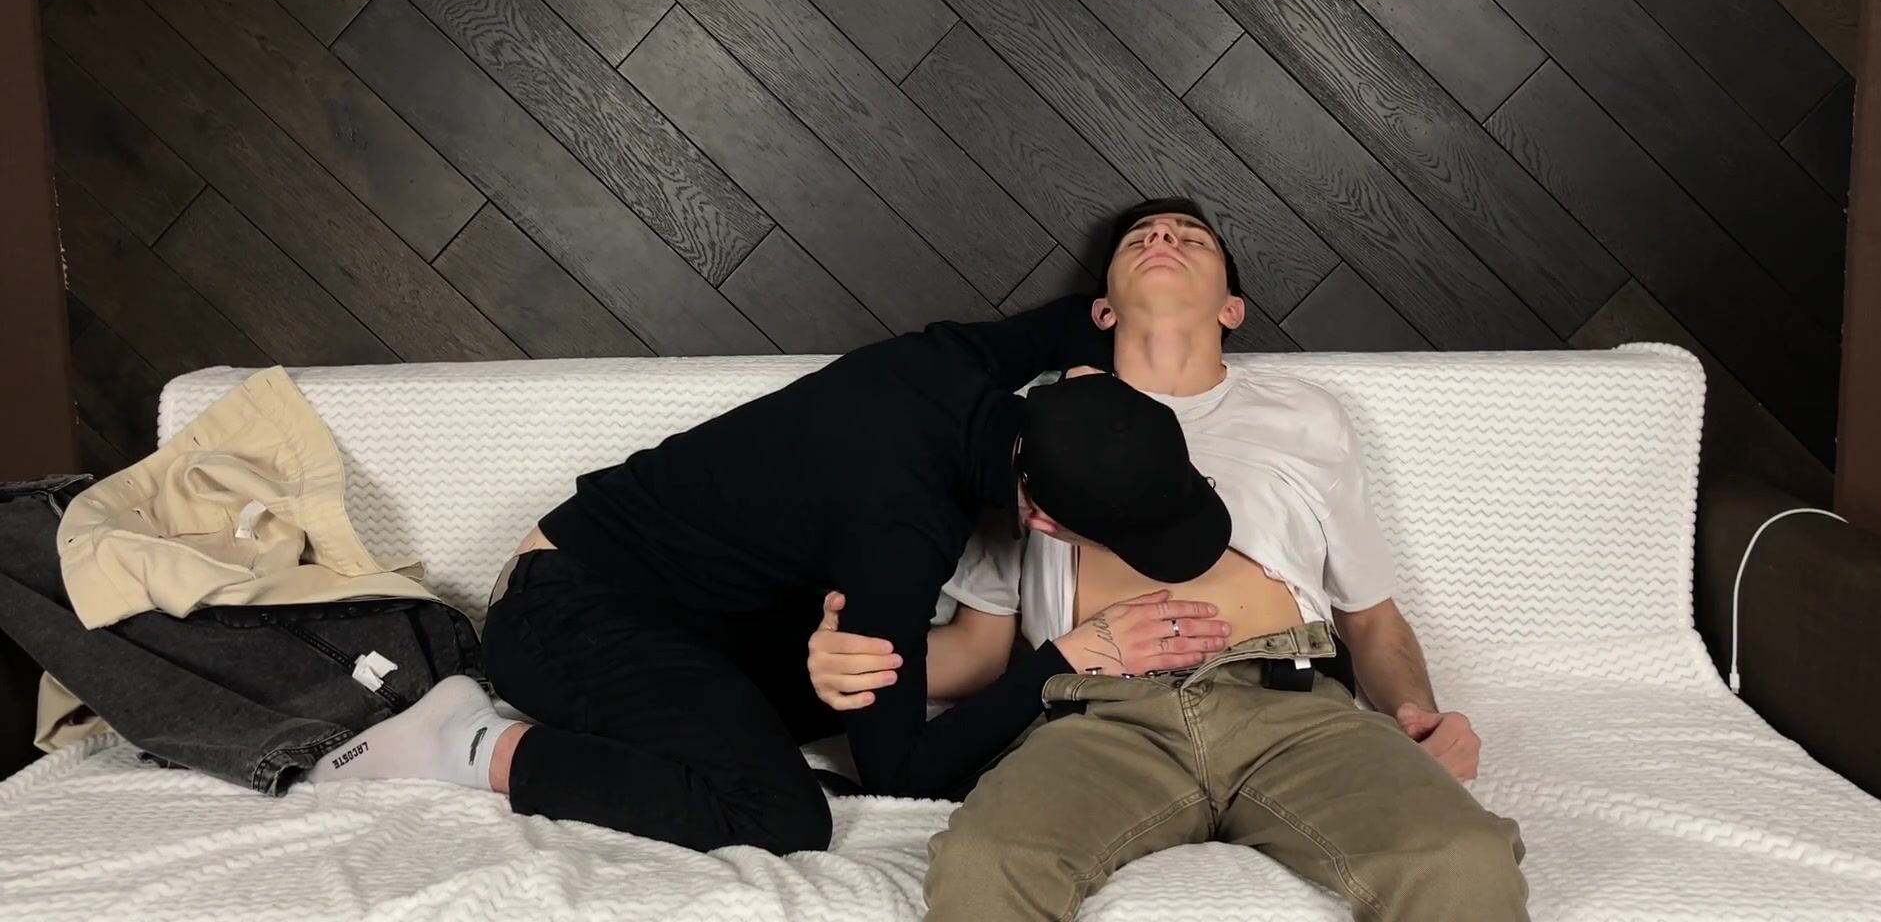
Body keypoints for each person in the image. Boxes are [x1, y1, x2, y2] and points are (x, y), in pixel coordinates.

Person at [299, 294, 1233, 856]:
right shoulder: (900, 534)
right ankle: (473, 746)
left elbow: (1076, 320)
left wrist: (1128, 313)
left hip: (681, 611)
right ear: (1041, 519)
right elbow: (902, 775)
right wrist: (1068, 657)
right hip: (564, 616)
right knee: (783, 816)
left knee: (839, 684)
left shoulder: (958, 364)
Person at [809, 199, 1529, 920]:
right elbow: (980, 649)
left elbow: (1370, 616)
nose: (1163, 236)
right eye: (1140, 238)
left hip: (1290, 707)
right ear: (1101, 311)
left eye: (1192, 237)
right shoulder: (1032, 428)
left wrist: (1419, 713)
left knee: (1462, 859)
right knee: (983, 865)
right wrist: (855, 658)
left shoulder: (1307, 416)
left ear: (1232, 309)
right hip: (1100, 718)